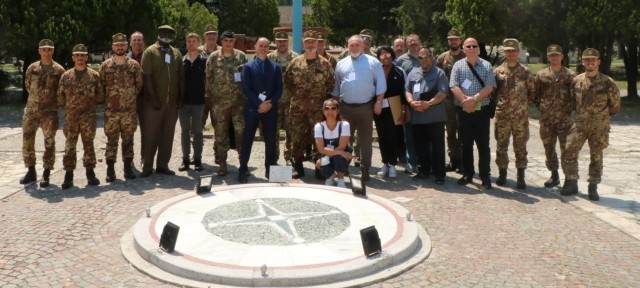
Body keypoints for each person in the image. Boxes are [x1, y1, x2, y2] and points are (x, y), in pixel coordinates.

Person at [561, 48, 620, 201]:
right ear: (583, 62)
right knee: (569, 150)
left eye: (593, 60)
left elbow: (615, 105)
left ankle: (593, 186)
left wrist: (601, 117)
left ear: (598, 62)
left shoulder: (608, 82)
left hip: (599, 126)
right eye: (587, 60)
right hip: (580, 124)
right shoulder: (577, 80)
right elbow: (573, 101)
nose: (590, 62)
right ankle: (571, 182)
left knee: (596, 156)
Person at [332, 34, 386, 181]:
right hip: (345, 107)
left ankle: (365, 168)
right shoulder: (341, 63)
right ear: (347, 46)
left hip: (365, 107)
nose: (354, 47)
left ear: (363, 46)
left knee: (365, 140)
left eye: (357, 45)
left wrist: (379, 102)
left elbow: (380, 84)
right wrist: (335, 107)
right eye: (351, 45)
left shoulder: (373, 62)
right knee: (344, 139)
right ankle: (344, 167)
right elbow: (337, 86)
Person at [283, 30, 335, 178]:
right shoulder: (295, 62)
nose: (310, 44)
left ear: (318, 43)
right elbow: (287, 81)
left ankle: (319, 167)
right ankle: (297, 165)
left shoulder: (325, 64)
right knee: (297, 137)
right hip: (298, 108)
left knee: (318, 137)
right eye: (307, 42)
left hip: (317, 109)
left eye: (313, 41)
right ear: (303, 44)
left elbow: (331, 84)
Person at [450, 38, 496, 189]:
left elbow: (490, 86)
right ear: (463, 48)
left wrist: (474, 99)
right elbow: (453, 86)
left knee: (483, 145)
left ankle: (485, 176)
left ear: (478, 48)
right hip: (463, 110)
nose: (471, 48)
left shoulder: (486, 65)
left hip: (481, 110)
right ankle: (468, 173)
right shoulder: (458, 65)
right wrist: (465, 101)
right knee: (465, 144)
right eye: (468, 46)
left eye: (474, 46)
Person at [57, 44, 104, 189]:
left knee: (89, 145)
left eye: (82, 55)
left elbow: (100, 96)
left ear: (86, 57)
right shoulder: (66, 76)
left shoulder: (94, 76)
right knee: (70, 146)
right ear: (73, 57)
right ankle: (68, 176)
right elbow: (60, 97)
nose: (80, 58)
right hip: (71, 118)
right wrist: (71, 108)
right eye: (77, 55)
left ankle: (90, 174)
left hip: (88, 118)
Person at [20, 39, 66, 187]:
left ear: (53, 51)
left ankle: (46, 173)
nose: (47, 52)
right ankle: (31, 170)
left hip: (49, 112)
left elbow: (62, 91)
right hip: (32, 111)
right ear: (39, 51)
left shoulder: (59, 71)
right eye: (44, 49)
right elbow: (28, 86)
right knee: (27, 140)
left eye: (49, 49)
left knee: (49, 142)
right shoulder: (32, 68)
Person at [140, 25, 184, 177]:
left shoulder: (176, 53)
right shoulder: (150, 52)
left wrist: (180, 97)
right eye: (164, 32)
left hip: (171, 103)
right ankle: (147, 166)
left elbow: (180, 77)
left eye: (169, 33)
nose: (166, 35)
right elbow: (147, 77)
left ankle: (163, 165)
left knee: (167, 134)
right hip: (154, 103)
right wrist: (154, 99)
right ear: (158, 33)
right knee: (151, 134)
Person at [99, 33, 144, 182]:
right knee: (111, 140)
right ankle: (110, 169)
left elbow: (139, 85)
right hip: (111, 112)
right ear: (113, 47)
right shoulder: (105, 66)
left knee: (128, 140)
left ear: (126, 46)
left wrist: (127, 98)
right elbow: (101, 87)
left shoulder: (134, 66)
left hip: (128, 112)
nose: (120, 47)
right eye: (117, 45)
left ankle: (127, 168)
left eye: (122, 45)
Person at [493, 38, 536, 189]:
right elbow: (494, 93)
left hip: (520, 118)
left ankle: (520, 176)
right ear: (504, 52)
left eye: (513, 50)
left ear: (518, 52)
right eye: (508, 51)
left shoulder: (525, 72)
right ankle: (502, 173)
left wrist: (521, 107)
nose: (510, 53)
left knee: (520, 147)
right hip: (503, 116)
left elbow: (532, 92)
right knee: (501, 146)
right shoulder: (497, 72)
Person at [239, 37, 283, 183]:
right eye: (261, 46)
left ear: (268, 48)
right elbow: (246, 88)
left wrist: (269, 103)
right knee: (247, 139)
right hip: (253, 109)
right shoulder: (248, 67)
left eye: (266, 46)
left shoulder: (276, 67)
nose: (263, 48)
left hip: (270, 109)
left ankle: (270, 170)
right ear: (256, 47)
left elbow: (279, 88)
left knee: (270, 141)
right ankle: (243, 168)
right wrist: (259, 103)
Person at [205, 30, 247, 176]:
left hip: (238, 104)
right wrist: (209, 97)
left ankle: (244, 164)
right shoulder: (213, 57)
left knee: (241, 134)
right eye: (226, 41)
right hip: (220, 104)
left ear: (233, 42)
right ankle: (222, 164)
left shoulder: (241, 56)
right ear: (221, 41)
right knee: (220, 134)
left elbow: (246, 78)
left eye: (231, 41)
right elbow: (208, 79)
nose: (228, 44)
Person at [405, 47, 449, 184]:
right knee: (420, 146)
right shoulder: (413, 73)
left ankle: (440, 174)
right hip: (417, 117)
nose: (423, 60)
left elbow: (442, 93)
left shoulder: (439, 73)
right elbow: (407, 90)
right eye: (421, 57)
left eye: (426, 57)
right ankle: (424, 170)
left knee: (437, 147)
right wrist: (411, 102)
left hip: (435, 117)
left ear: (432, 57)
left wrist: (428, 104)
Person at [534, 44, 575, 188]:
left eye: (557, 55)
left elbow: (575, 96)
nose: (554, 57)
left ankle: (568, 178)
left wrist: (569, 110)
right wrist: (544, 108)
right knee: (549, 147)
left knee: (567, 149)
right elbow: (536, 95)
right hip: (547, 120)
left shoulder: (570, 75)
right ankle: (554, 175)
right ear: (548, 57)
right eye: (551, 55)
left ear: (562, 57)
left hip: (565, 120)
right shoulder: (541, 75)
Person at [374, 46, 406, 178]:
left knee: (393, 135)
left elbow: (404, 90)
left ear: (392, 55)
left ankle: (393, 164)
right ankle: (385, 163)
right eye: (382, 54)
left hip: (395, 107)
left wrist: (404, 108)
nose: (385, 56)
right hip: (379, 108)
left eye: (387, 54)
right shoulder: (376, 71)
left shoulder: (399, 71)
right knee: (382, 136)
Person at [436, 28, 465, 174]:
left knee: (464, 131)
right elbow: (438, 78)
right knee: (451, 132)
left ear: (460, 41)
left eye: (456, 39)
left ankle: (463, 161)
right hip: (448, 102)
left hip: (463, 99)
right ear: (448, 41)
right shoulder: (442, 58)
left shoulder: (466, 56)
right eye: (451, 39)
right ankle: (453, 160)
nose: (453, 41)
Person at [267, 31, 299, 165]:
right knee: (273, 132)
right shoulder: (268, 58)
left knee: (291, 132)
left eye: (284, 41)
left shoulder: (296, 58)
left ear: (288, 42)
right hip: (273, 102)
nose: (282, 44)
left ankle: (289, 158)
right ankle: (273, 159)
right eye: (279, 41)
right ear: (275, 42)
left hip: (290, 102)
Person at [178, 33, 207, 172]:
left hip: (198, 102)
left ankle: (197, 160)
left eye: (194, 41)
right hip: (183, 103)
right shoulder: (181, 61)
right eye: (189, 41)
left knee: (198, 132)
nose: (191, 44)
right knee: (184, 132)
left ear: (198, 43)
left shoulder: (204, 61)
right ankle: (185, 160)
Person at [395, 33, 422, 174]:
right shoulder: (401, 60)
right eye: (410, 41)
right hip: (408, 102)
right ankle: (412, 161)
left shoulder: (427, 56)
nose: (413, 43)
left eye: (415, 41)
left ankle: (425, 162)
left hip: (425, 102)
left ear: (420, 42)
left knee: (425, 134)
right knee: (409, 134)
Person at [315, 99, 353, 188]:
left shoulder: (344, 125)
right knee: (321, 162)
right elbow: (321, 149)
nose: (330, 111)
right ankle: (330, 177)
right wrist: (339, 153)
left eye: (333, 108)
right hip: (332, 154)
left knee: (338, 158)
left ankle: (341, 180)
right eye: (327, 108)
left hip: (341, 156)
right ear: (323, 111)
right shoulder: (319, 126)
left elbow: (342, 147)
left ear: (338, 111)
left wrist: (340, 153)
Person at [128, 31, 145, 164]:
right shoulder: (126, 58)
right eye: (134, 40)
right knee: (129, 130)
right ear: (130, 42)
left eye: (139, 40)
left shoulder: (149, 57)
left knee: (146, 130)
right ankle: (129, 158)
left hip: (146, 99)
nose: (137, 43)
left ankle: (145, 157)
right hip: (129, 100)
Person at [200, 24, 218, 133]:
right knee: (197, 125)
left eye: (214, 34)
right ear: (204, 37)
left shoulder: (223, 51)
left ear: (217, 36)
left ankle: (219, 149)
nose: (211, 36)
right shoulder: (197, 51)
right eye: (208, 34)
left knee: (219, 126)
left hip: (218, 95)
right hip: (200, 94)